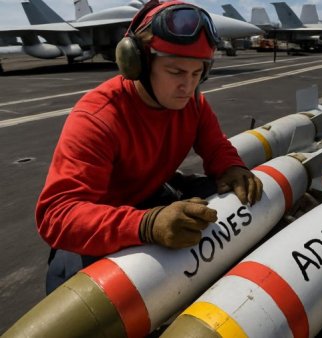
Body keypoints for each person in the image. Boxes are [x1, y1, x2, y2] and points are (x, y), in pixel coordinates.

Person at [36, 0, 262, 293]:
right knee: (71, 283)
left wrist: (231, 167)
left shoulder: (193, 103)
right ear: (137, 64)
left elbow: (216, 146)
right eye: (176, 72)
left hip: (149, 198)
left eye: (197, 74)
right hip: (97, 221)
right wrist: (146, 225)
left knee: (224, 198)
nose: (188, 87)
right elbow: (57, 215)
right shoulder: (97, 117)